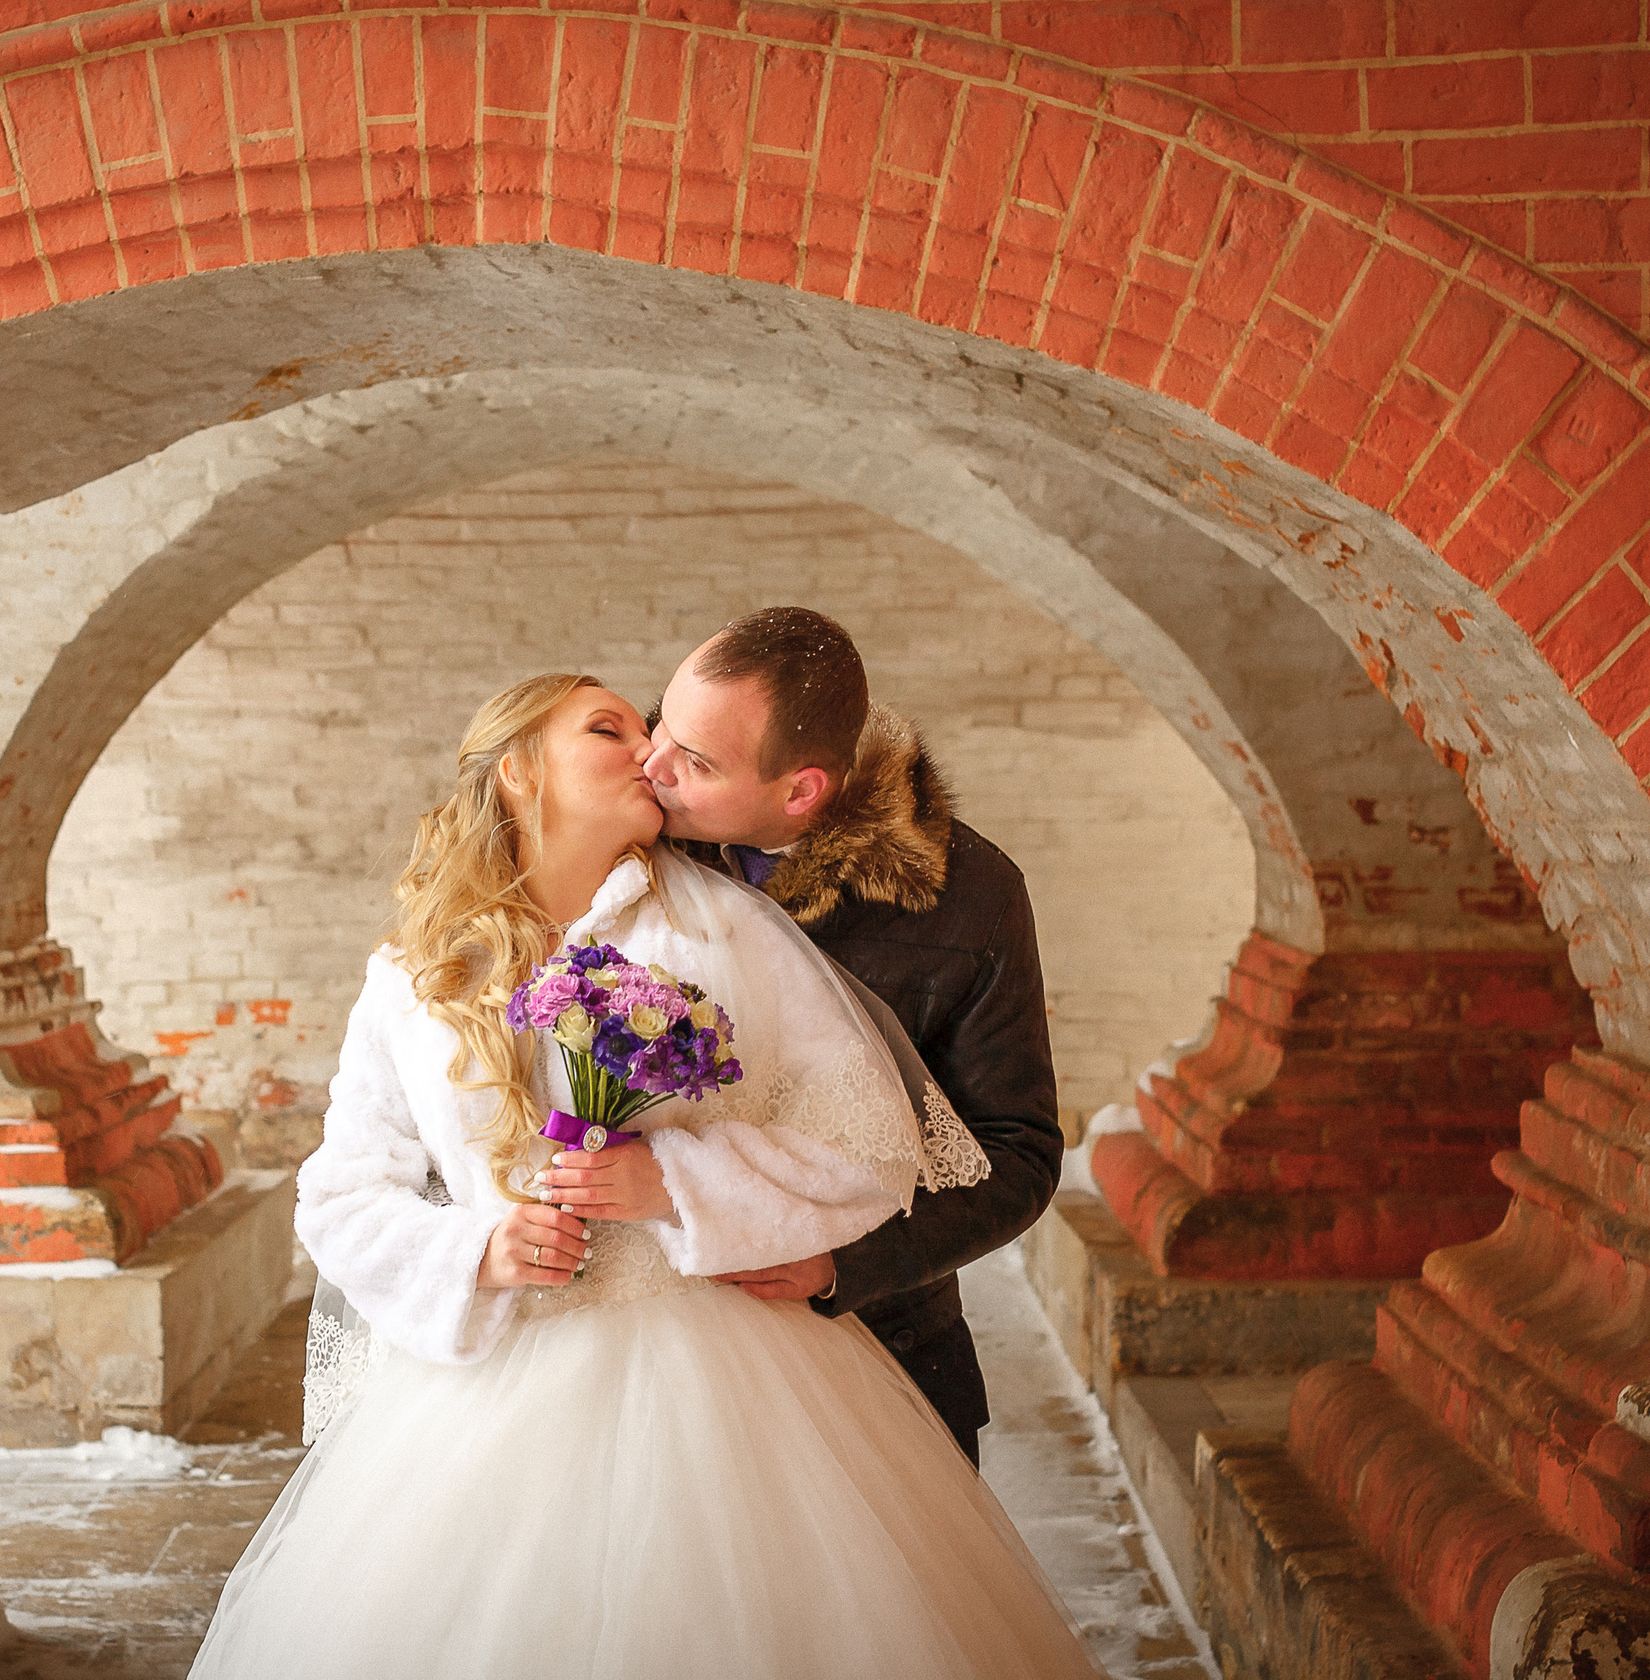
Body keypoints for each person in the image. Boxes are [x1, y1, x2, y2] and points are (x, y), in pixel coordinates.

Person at [190, 673, 1102, 1680]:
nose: (648, 747)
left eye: (653, 726)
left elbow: (866, 1141)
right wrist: (473, 1252)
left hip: (725, 1374)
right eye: (607, 728)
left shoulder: (720, 931)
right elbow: (339, 1189)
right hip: (487, 1399)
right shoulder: (414, 972)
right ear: (517, 771)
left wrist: (672, 1184)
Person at [643, 607, 1065, 1465]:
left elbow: (1016, 1151)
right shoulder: (631, 831)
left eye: (695, 762)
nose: (651, 766)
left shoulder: (973, 899)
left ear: (800, 790)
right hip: (657, 1353)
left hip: (882, 1349)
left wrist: (844, 1263)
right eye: (662, 722)